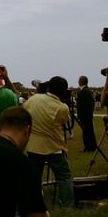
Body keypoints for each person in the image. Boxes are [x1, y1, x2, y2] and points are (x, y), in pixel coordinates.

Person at [22, 76, 74, 207]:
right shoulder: (62, 107)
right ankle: (66, 203)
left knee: (34, 176)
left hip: (33, 145)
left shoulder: (34, 99)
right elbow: (63, 121)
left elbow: (23, 111)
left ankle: (34, 202)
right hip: (54, 146)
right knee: (64, 176)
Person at [76, 76, 97, 152]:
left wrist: (80, 115)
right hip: (88, 115)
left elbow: (82, 105)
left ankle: (88, 146)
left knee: (86, 131)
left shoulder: (83, 92)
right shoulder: (88, 91)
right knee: (89, 130)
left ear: (81, 81)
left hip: (85, 115)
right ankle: (91, 145)